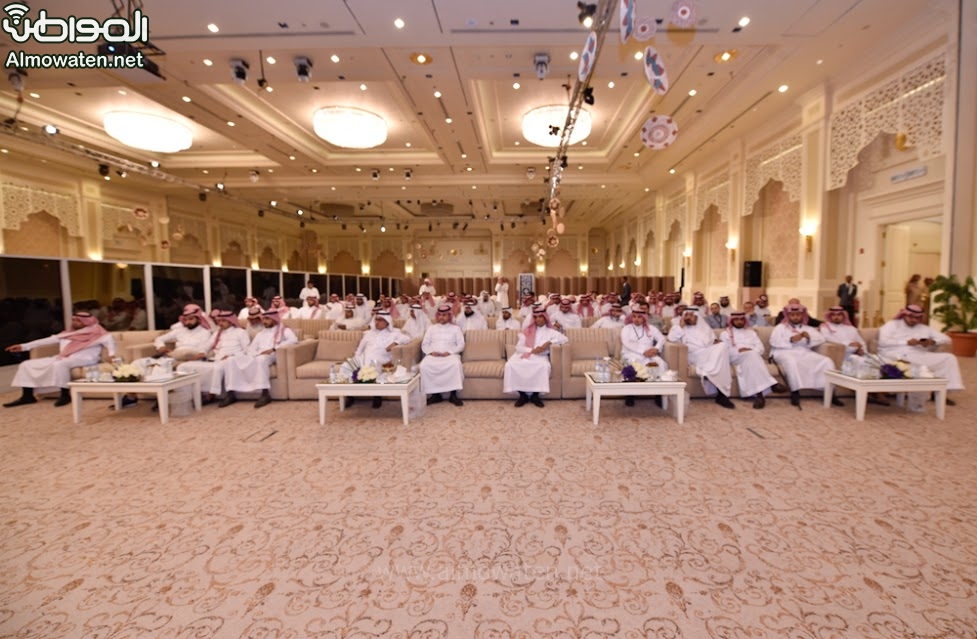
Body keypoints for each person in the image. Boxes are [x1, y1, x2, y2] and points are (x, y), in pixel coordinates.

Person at [4, 311, 117, 408]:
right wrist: (23, 346)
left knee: (60, 364)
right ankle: (27, 396)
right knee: (26, 364)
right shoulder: (68, 333)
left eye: (78, 321)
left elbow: (110, 343)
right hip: (63, 357)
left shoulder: (99, 333)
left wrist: (112, 356)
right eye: (73, 320)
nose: (74, 322)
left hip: (85, 359)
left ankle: (65, 395)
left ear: (87, 322)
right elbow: (47, 340)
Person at [877, 304, 963, 403]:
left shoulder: (924, 328)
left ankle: (940, 392)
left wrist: (932, 342)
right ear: (904, 314)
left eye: (917, 318)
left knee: (949, 358)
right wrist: (905, 342)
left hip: (919, 354)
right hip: (896, 354)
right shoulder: (892, 325)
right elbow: (882, 342)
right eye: (911, 317)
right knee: (908, 362)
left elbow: (947, 339)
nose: (913, 320)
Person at [219, 309, 298, 408]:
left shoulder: (284, 330)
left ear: (274, 319)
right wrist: (241, 355)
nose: (264, 321)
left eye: (267, 319)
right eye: (263, 319)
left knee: (261, 360)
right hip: (258, 355)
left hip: (274, 354)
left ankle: (265, 394)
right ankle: (230, 393)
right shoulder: (261, 333)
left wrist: (274, 348)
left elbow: (294, 340)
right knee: (230, 360)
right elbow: (251, 348)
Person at [770, 304, 841, 409]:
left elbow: (821, 339)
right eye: (792, 315)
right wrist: (791, 340)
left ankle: (830, 393)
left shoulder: (808, 329)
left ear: (802, 315)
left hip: (803, 352)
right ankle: (795, 391)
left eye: (798, 315)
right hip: (784, 352)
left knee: (827, 361)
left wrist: (809, 338)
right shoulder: (780, 328)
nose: (795, 317)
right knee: (791, 362)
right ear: (788, 316)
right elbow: (773, 341)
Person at [667, 307, 736, 409]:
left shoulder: (704, 328)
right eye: (686, 315)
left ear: (697, 317)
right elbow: (671, 338)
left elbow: (711, 341)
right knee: (719, 360)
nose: (688, 317)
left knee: (723, 346)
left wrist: (714, 342)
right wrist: (680, 326)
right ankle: (720, 391)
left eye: (691, 315)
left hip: (706, 352)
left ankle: (721, 392)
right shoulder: (679, 328)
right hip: (693, 355)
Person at [178, 310, 251, 405]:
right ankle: (187, 396)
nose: (220, 323)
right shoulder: (218, 333)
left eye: (223, 321)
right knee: (183, 366)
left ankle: (211, 395)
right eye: (219, 321)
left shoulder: (241, 332)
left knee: (217, 368)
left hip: (231, 360)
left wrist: (232, 356)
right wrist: (201, 353)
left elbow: (247, 350)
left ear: (231, 321)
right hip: (215, 360)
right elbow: (207, 345)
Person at [344, 311, 411, 409]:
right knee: (347, 365)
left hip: (382, 358)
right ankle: (350, 395)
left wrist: (395, 343)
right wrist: (355, 359)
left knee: (373, 364)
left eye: (380, 320)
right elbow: (359, 349)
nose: (377, 322)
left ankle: (377, 395)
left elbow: (407, 338)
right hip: (364, 357)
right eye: (376, 319)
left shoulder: (394, 333)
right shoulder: (369, 333)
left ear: (387, 322)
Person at [503, 308, 568, 407]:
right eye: (536, 317)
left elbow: (565, 338)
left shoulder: (551, 332)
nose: (538, 319)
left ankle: (535, 396)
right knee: (510, 365)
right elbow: (519, 347)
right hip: (524, 354)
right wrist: (532, 350)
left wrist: (548, 342)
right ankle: (522, 395)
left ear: (545, 318)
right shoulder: (527, 331)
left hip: (540, 356)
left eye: (540, 317)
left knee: (544, 366)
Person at [719, 311, 781, 409]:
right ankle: (772, 384)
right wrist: (739, 350)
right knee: (752, 356)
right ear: (732, 321)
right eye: (736, 320)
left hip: (751, 356)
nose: (739, 321)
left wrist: (749, 350)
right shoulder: (725, 334)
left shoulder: (752, 333)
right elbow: (725, 350)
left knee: (752, 358)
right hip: (734, 356)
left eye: (741, 319)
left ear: (745, 320)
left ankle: (760, 396)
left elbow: (761, 349)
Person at [620, 307, 667, 407]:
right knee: (633, 366)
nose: (636, 319)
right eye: (634, 317)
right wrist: (643, 352)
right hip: (631, 354)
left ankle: (658, 394)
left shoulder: (651, 328)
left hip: (649, 354)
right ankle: (630, 395)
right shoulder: (627, 328)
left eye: (639, 317)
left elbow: (662, 339)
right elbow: (627, 343)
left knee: (660, 364)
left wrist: (656, 349)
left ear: (644, 318)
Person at [419, 304, 465, 406]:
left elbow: (461, 345)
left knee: (455, 365)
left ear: (449, 316)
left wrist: (450, 352)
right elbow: (425, 344)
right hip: (433, 355)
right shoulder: (431, 328)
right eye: (439, 315)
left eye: (444, 315)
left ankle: (453, 395)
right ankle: (435, 395)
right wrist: (431, 352)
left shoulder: (456, 329)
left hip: (450, 355)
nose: (441, 317)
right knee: (424, 365)